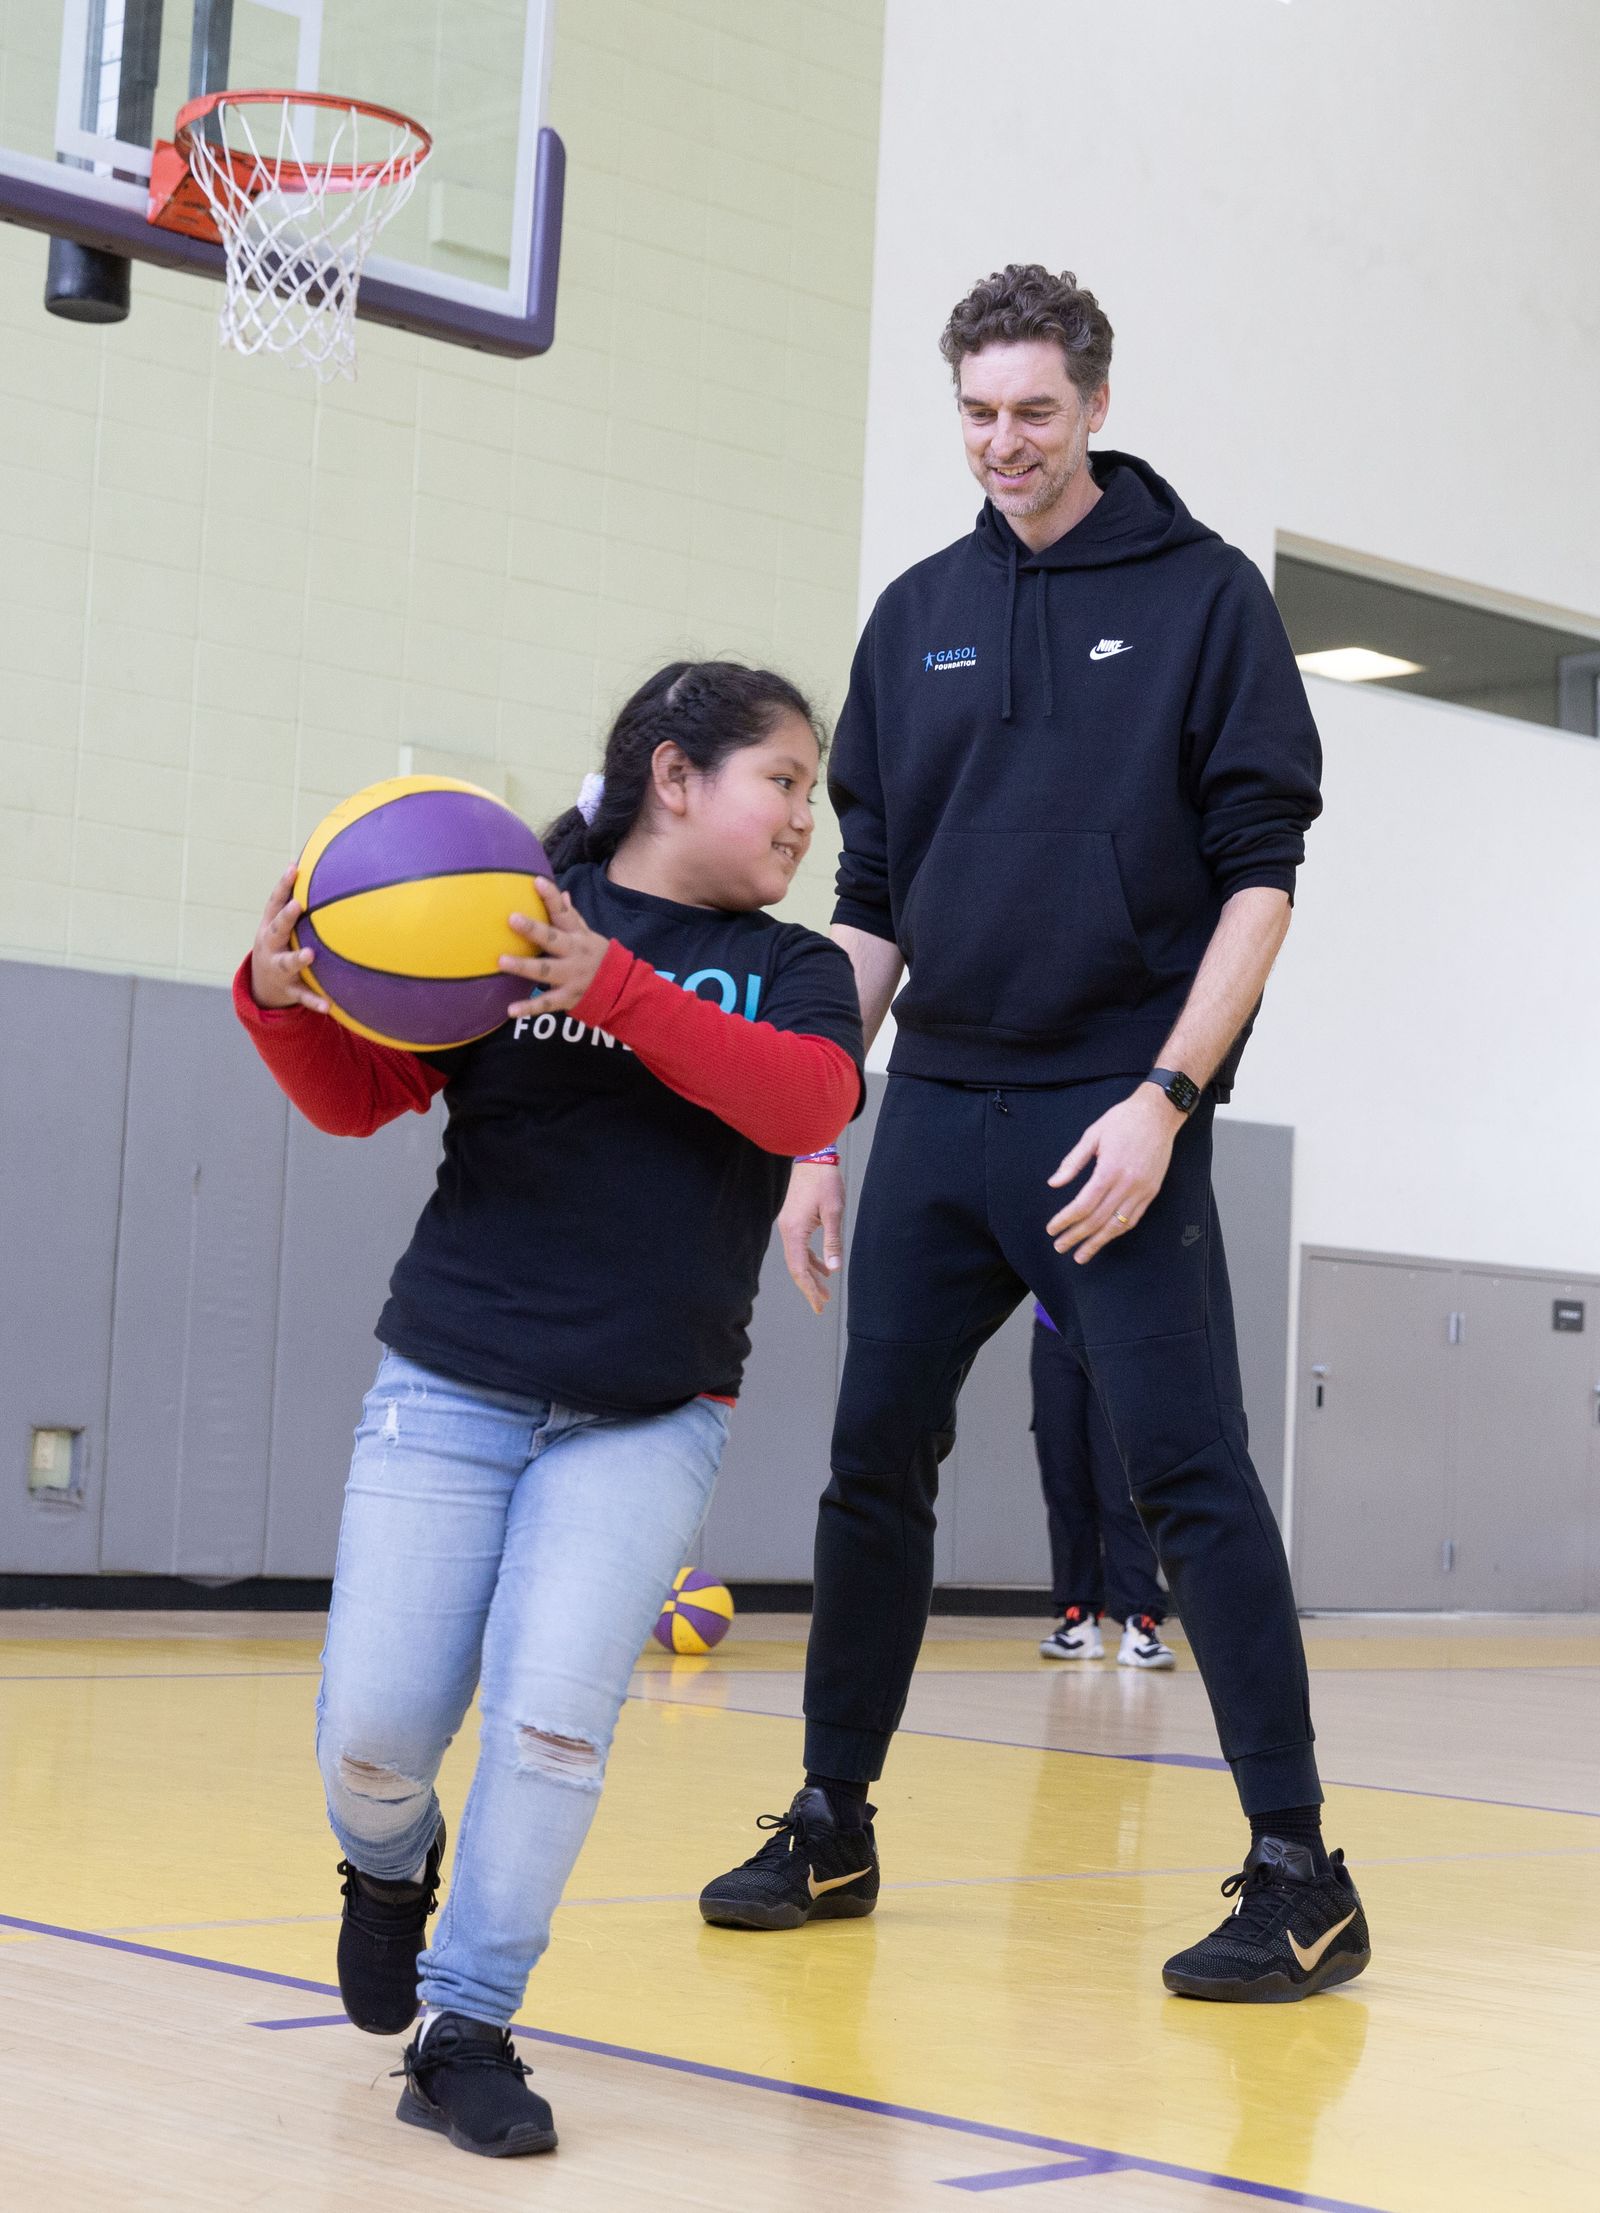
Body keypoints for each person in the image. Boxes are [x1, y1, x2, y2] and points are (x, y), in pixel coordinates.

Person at [697, 266, 1371, 2004]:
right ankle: (833, 1814)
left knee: (1191, 1477)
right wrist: (811, 1119)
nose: (1003, 443)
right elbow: (871, 903)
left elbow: (1260, 881)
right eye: (978, 414)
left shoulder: (1207, 599)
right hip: (936, 1103)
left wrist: (1167, 1096)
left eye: (1034, 413)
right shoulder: (917, 611)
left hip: (1111, 1110)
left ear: (1092, 403)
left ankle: (1301, 1870)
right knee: (870, 1469)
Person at [236, 662, 864, 2157]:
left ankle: (469, 2028)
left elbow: (808, 1109)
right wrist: (275, 995)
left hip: (649, 1414)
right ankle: (390, 1867)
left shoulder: (795, 969)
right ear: (674, 776)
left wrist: (623, 991)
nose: (805, 813)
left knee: (548, 1730)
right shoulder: (504, 914)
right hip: (449, 1380)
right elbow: (358, 1095)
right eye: (782, 777)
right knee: (376, 1733)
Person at [1031, 1301, 1175, 1669]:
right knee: (1064, 1483)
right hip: (1054, 1331)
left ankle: (1140, 1622)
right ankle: (1078, 1618)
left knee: (1121, 1488)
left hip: (1120, 1332)